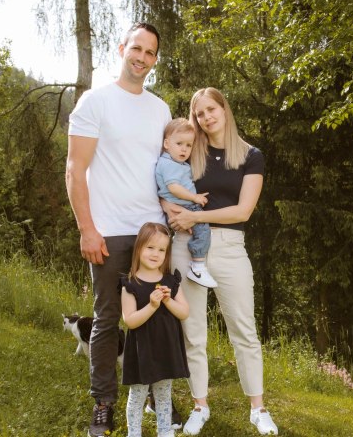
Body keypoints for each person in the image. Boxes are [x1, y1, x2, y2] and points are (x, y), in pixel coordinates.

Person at [66, 22, 178, 437]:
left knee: (152, 316)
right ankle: (104, 404)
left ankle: (151, 395)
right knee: (108, 318)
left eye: (150, 53)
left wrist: (174, 216)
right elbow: (75, 169)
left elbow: (166, 170)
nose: (142, 58)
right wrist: (87, 229)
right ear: (121, 49)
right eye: (137, 48)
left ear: (154, 59)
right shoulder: (95, 102)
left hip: (152, 231)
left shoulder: (160, 109)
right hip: (109, 230)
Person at [167, 87, 279, 435]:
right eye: (199, 114)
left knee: (244, 331)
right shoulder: (189, 153)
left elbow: (244, 210)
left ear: (224, 109)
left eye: (211, 110)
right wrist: (175, 216)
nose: (206, 118)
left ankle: (258, 408)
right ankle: (200, 405)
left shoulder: (250, 155)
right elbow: (166, 186)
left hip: (230, 247)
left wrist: (197, 218)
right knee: (193, 333)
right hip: (186, 247)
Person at [121, 222, 190, 437]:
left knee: (163, 394)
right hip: (142, 351)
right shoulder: (130, 284)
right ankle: (134, 433)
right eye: (150, 247)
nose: (155, 254)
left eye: (161, 250)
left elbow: (184, 312)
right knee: (138, 394)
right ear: (139, 248)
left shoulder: (170, 281)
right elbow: (130, 321)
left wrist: (168, 301)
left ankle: (164, 431)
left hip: (165, 348)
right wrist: (152, 306)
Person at [155, 118, 218, 288]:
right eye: (179, 143)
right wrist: (194, 197)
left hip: (183, 205)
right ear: (167, 144)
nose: (184, 149)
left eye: (189, 145)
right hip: (184, 205)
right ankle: (197, 266)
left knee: (200, 230)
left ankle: (197, 263)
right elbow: (174, 187)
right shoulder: (169, 164)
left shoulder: (176, 162)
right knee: (203, 230)